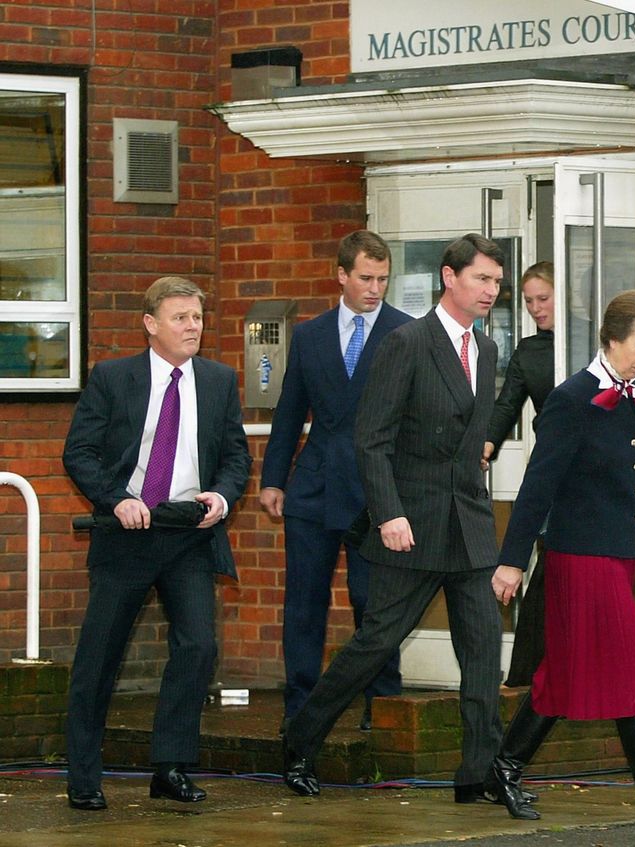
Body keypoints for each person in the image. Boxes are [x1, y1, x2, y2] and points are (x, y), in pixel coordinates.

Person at [282, 233, 507, 806]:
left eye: (497, 282)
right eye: (481, 279)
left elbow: (473, 442)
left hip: (470, 527)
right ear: (449, 278)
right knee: (375, 642)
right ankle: (300, 741)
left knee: (482, 654)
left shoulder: (486, 349)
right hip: (412, 525)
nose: (491, 291)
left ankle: (477, 774)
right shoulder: (407, 342)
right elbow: (372, 438)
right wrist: (389, 514)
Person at [487, 289, 635, 839]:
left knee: (562, 673)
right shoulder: (571, 398)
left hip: (618, 555)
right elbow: (538, 485)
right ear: (611, 338)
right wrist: (511, 561)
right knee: (631, 668)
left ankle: (503, 767)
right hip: (580, 557)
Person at [62, 276, 252, 811]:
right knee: (99, 657)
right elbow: (79, 453)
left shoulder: (217, 380)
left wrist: (222, 495)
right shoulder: (112, 377)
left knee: (197, 646)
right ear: (150, 325)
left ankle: (170, 766)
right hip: (127, 533)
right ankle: (83, 776)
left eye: (197, 317)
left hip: (188, 533)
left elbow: (237, 455)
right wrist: (114, 499)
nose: (193, 326)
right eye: (180, 318)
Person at [260, 230, 412, 733]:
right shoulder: (309, 335)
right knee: (304, 602)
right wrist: (273, 479)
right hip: (315, 486)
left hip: (377, 490)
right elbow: (288, 412)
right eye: (366, 278)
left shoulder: (405, 332)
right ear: (342, 275)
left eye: (383, 279)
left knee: (374, 603)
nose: (375, 288)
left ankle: (382, 703)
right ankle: (299, 706)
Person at [482, 261, 555, 688]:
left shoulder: (592, 341)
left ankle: (538, 674)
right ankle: (526, 675)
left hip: (586, 474)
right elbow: (507, 404)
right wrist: (486, 443)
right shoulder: (528, 351)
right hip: (548, 467)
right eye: (528, 301)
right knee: (542, 563)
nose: (534, 308)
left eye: (542, 299)